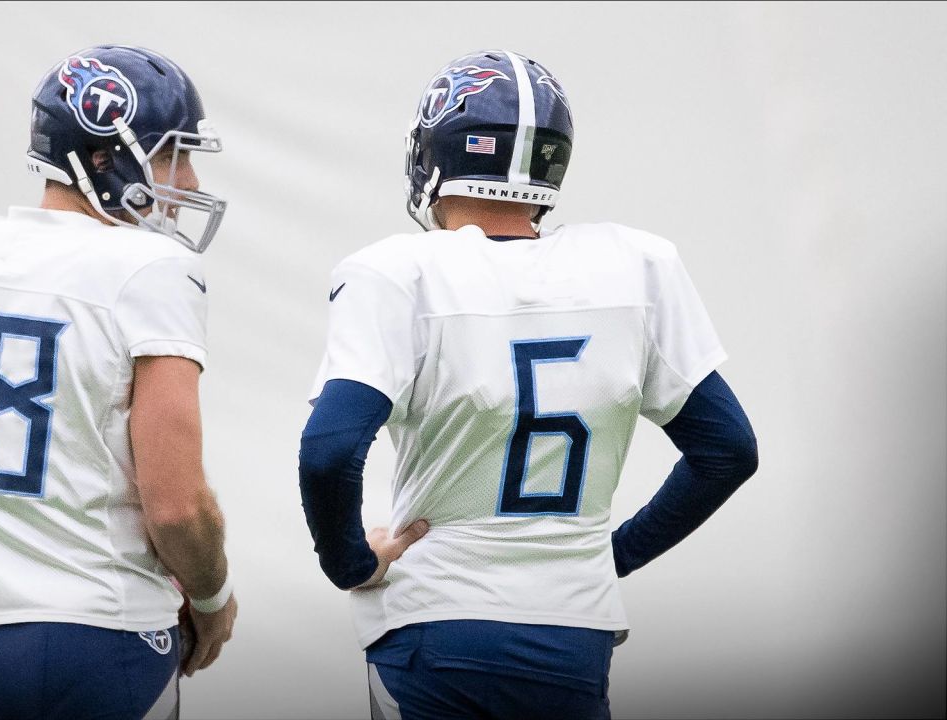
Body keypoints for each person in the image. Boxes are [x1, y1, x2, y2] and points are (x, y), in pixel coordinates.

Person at [298, 49, 759, 720]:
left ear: (435, 155)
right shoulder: (637, 265)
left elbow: (330, 449)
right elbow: (728, 451)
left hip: (437, 623)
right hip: (573, 632)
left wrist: (349, 563)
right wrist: (610, 556)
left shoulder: (399, 270)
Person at [0, 45, 236, 720]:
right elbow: (174, 506)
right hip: (104, 634)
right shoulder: (148, 268)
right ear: (106, 160)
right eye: (173, 155)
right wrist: (212, 599)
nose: (190, 178)